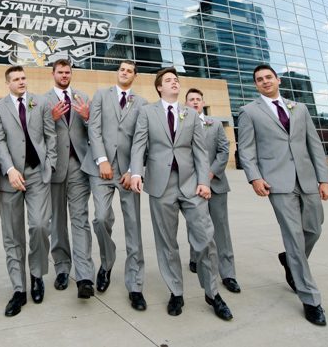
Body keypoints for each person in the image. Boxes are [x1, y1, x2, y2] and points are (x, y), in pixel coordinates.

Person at [129, 68, 233, 321]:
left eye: (176, 80)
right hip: (160, 186)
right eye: (168, 80)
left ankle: (212, 293)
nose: (174, 82)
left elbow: (200, 151)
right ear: (159, 88)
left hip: (191, 185)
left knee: (205, 238)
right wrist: (135, 172)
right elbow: (139, 144)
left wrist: (204, 181)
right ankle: (176, 292)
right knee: (167, 244)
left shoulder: (191, 114)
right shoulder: (147, 112)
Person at [237, 64, 328, 326]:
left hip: (308, 179)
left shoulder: (299, 108)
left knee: (314, 229)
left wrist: (324, 179)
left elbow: (314, 145)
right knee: (293, 235)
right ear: (255, 85)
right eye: (259, 79)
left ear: (277, 80)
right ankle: (310, 298)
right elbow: (245, 150)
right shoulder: (249, 112)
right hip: (277, 182)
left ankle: (290, 261)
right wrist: (255, 177)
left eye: (268, 77)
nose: (265, 82)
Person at [0, 65, 57, 317]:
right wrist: (8, 169)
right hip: (11, 179)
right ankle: (19, 289)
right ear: (8, 83)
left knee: (40, 225)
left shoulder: (40, 103)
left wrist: (49, 164)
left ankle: (37, 275)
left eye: (23, 78)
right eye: (16, 79)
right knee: (13, 235)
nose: (21, 82)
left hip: (37, 173)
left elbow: (51, 136)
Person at [86, 60, 148, 311]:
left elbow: (141, 139)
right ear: (117, 73)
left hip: (127, 173)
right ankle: (107, 261)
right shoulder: (101, 94)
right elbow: (94, 128)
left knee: (133, 226)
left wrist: (134, 170)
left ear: (134, 76)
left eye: (130, 71)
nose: (125, 73)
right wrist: (101, 160)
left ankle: (135, 284)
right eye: (122, 69)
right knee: (100, 218)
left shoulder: (142, 103)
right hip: (101, 170)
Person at [45, 59, 95, 299]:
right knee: (57, 222)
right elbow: (36, 133)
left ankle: (85, 276)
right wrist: (51, 118)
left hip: (78, 165)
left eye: (68, 72)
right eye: (60, 72)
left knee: (80, 219)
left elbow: (95, 129)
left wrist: (86, 117)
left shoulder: (82, 97)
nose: (64, 75)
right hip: (54, 168)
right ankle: (62, 268)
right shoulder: (43, 101)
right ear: (53, 74)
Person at [185, 88, 241, 294]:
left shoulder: (215, 124)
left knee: (221, 229)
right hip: (191, 186)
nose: (195, 102)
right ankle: (195, 258)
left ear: (202, 103)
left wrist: (209, 174)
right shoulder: (182, 125)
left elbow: (224, 150)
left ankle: (228, 273)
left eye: (198, 99)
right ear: (186, 103)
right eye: (191, 100)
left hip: (215, 183)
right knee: (195, 225)